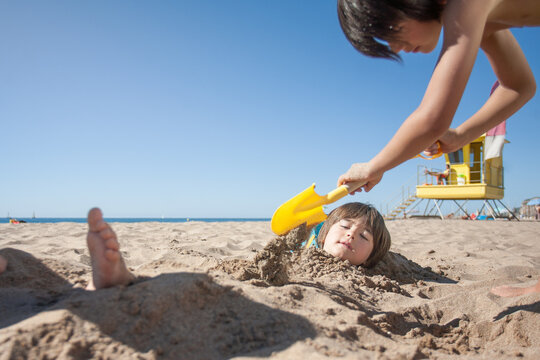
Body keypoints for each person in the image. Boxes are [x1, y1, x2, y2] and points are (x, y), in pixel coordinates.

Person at [335, 0, 537, 194]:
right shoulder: (482, 21)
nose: (395, 47)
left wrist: (373, 167)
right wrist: (461, 136)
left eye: (390, 29)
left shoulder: (466, 5)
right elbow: (519, 86)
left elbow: (432, 120)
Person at [303, 202, 391, 268]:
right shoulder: (300, 244)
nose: (351, 234)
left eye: (363, 236)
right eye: (345, 226)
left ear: (370, 257)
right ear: (325, 234)